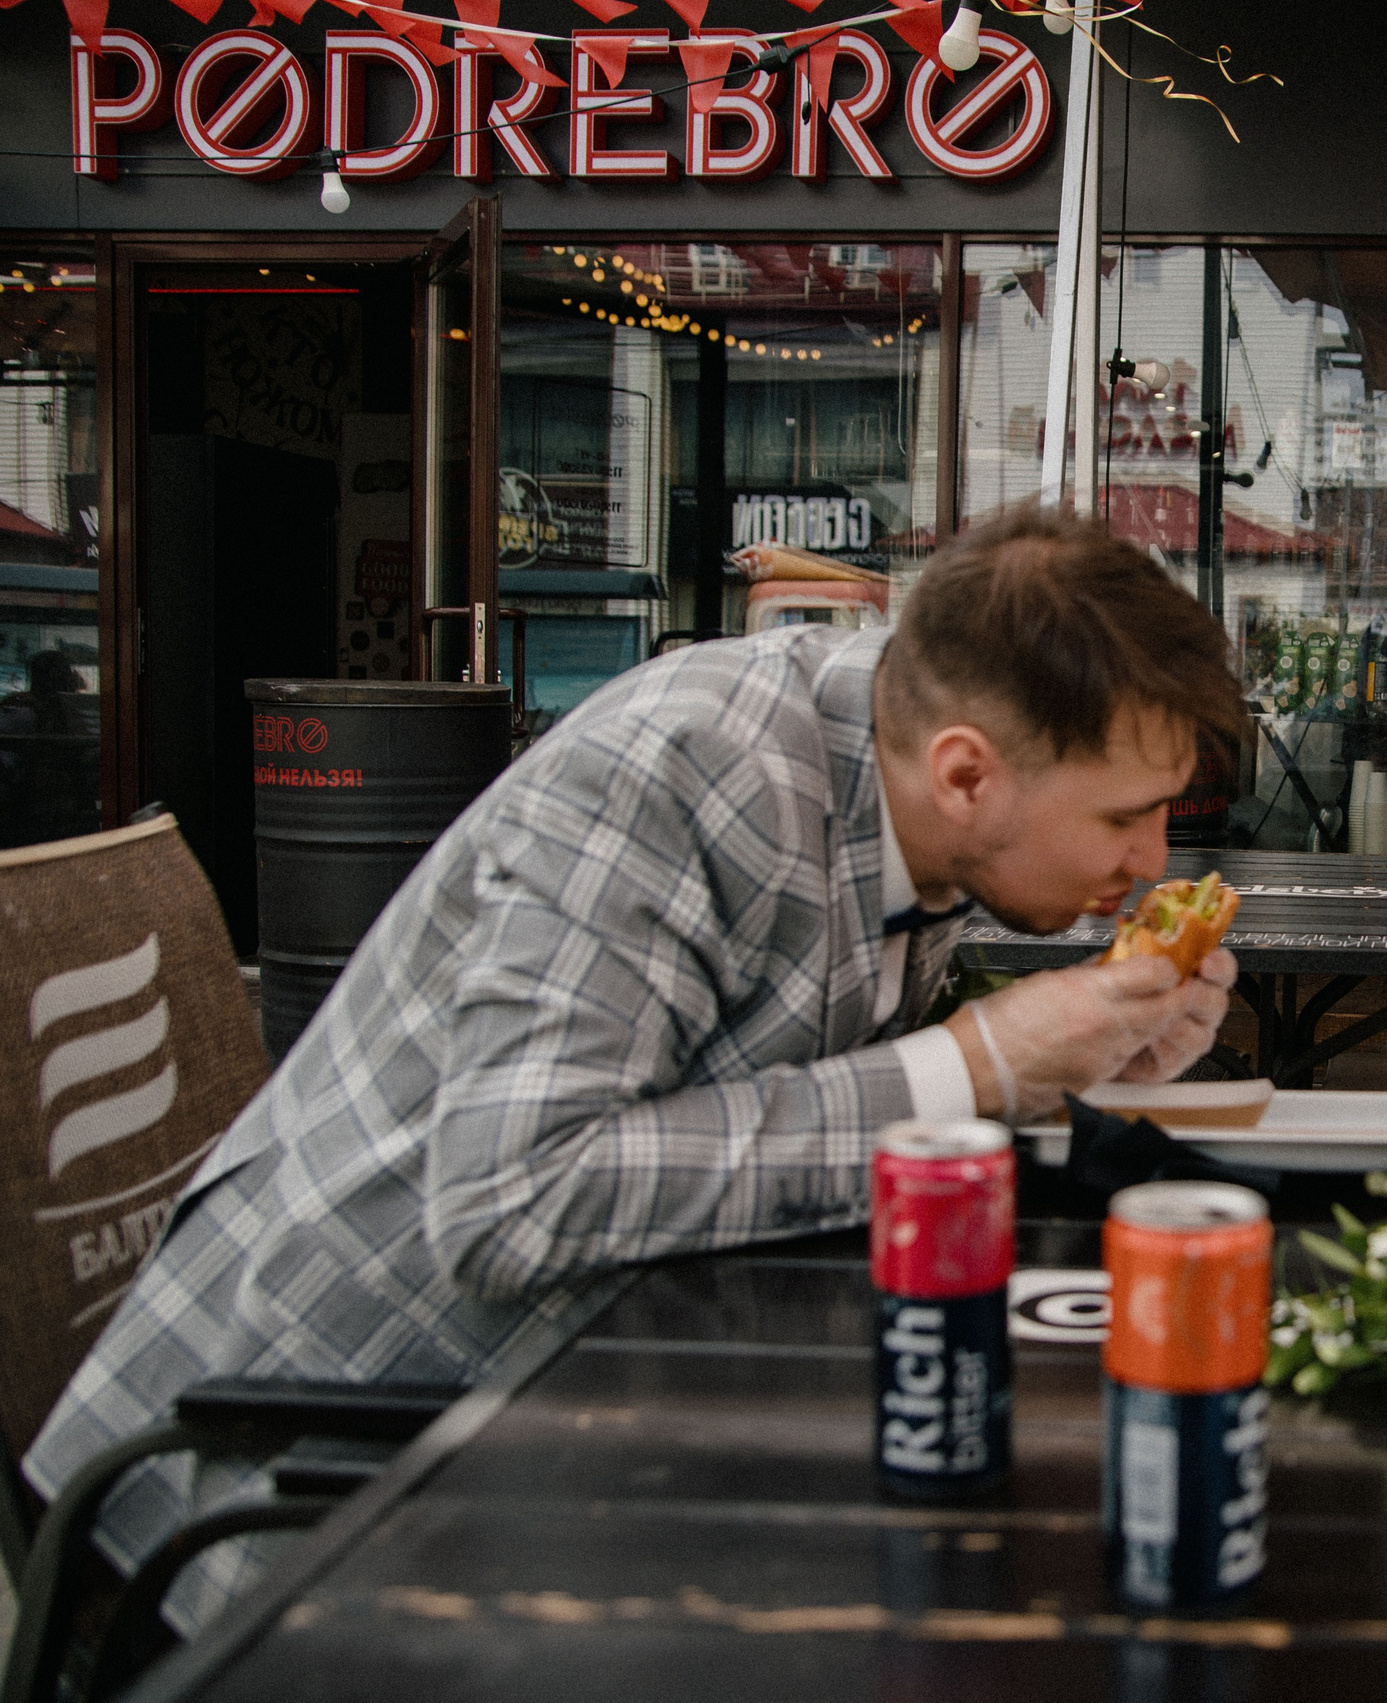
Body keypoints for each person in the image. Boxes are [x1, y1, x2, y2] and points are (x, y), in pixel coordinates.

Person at [26, 507, 1247, 1627]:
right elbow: (514, 1196)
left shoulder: (905, 774)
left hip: (541, 1426)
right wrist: (974, 1064)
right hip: (262, 1509)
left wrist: (1075, 1059)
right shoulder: (684, 769)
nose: (1151, 860)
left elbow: (781, 1072)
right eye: (1124, 816)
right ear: (966, 773)